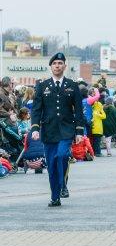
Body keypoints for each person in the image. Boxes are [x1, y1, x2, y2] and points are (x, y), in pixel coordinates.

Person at [30, 52, 85, 207]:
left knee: (62, 155)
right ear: (51, 66)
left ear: (65, 66)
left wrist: (79, 132)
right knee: (52, 164)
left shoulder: (72, 86)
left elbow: (79, 111)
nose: (57, 66)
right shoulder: (42, 86)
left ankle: (63, 184)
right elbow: (36, 110)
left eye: (60, 63)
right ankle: (55, 197)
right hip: (49, 130)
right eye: (55, 63)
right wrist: (35, 128)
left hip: (67, 129)